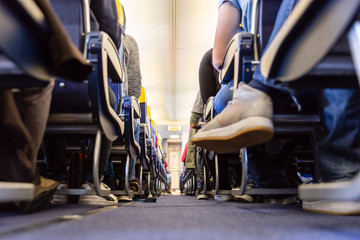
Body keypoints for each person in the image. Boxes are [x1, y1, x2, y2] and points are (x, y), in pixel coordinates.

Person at [193, 0, 360, 214]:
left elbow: (218, 60)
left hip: (262, 76)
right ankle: (341, 173)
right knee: (338, 43)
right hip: (331, 78)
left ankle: (258, 93)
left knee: (226, 101)